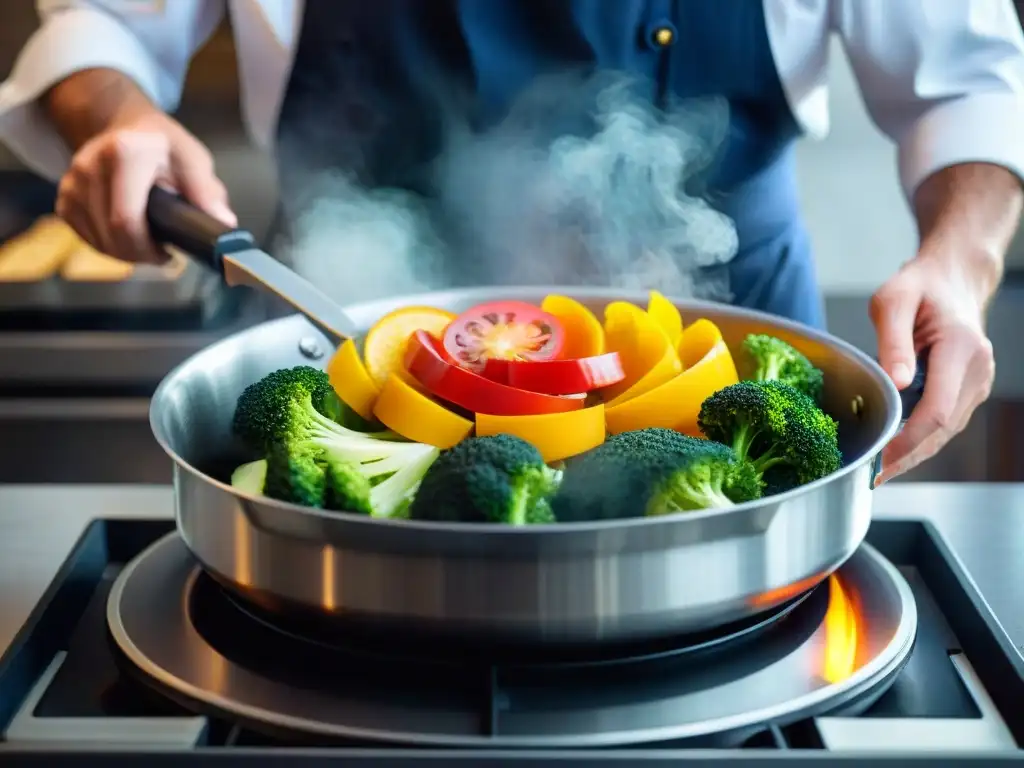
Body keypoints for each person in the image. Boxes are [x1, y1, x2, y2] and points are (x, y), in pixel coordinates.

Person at [0, 1, 1022, 484]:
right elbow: (104, 27)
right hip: (344, 331)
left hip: (718, 342)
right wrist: (119, 116)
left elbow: (969, 81)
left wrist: (958, 262)